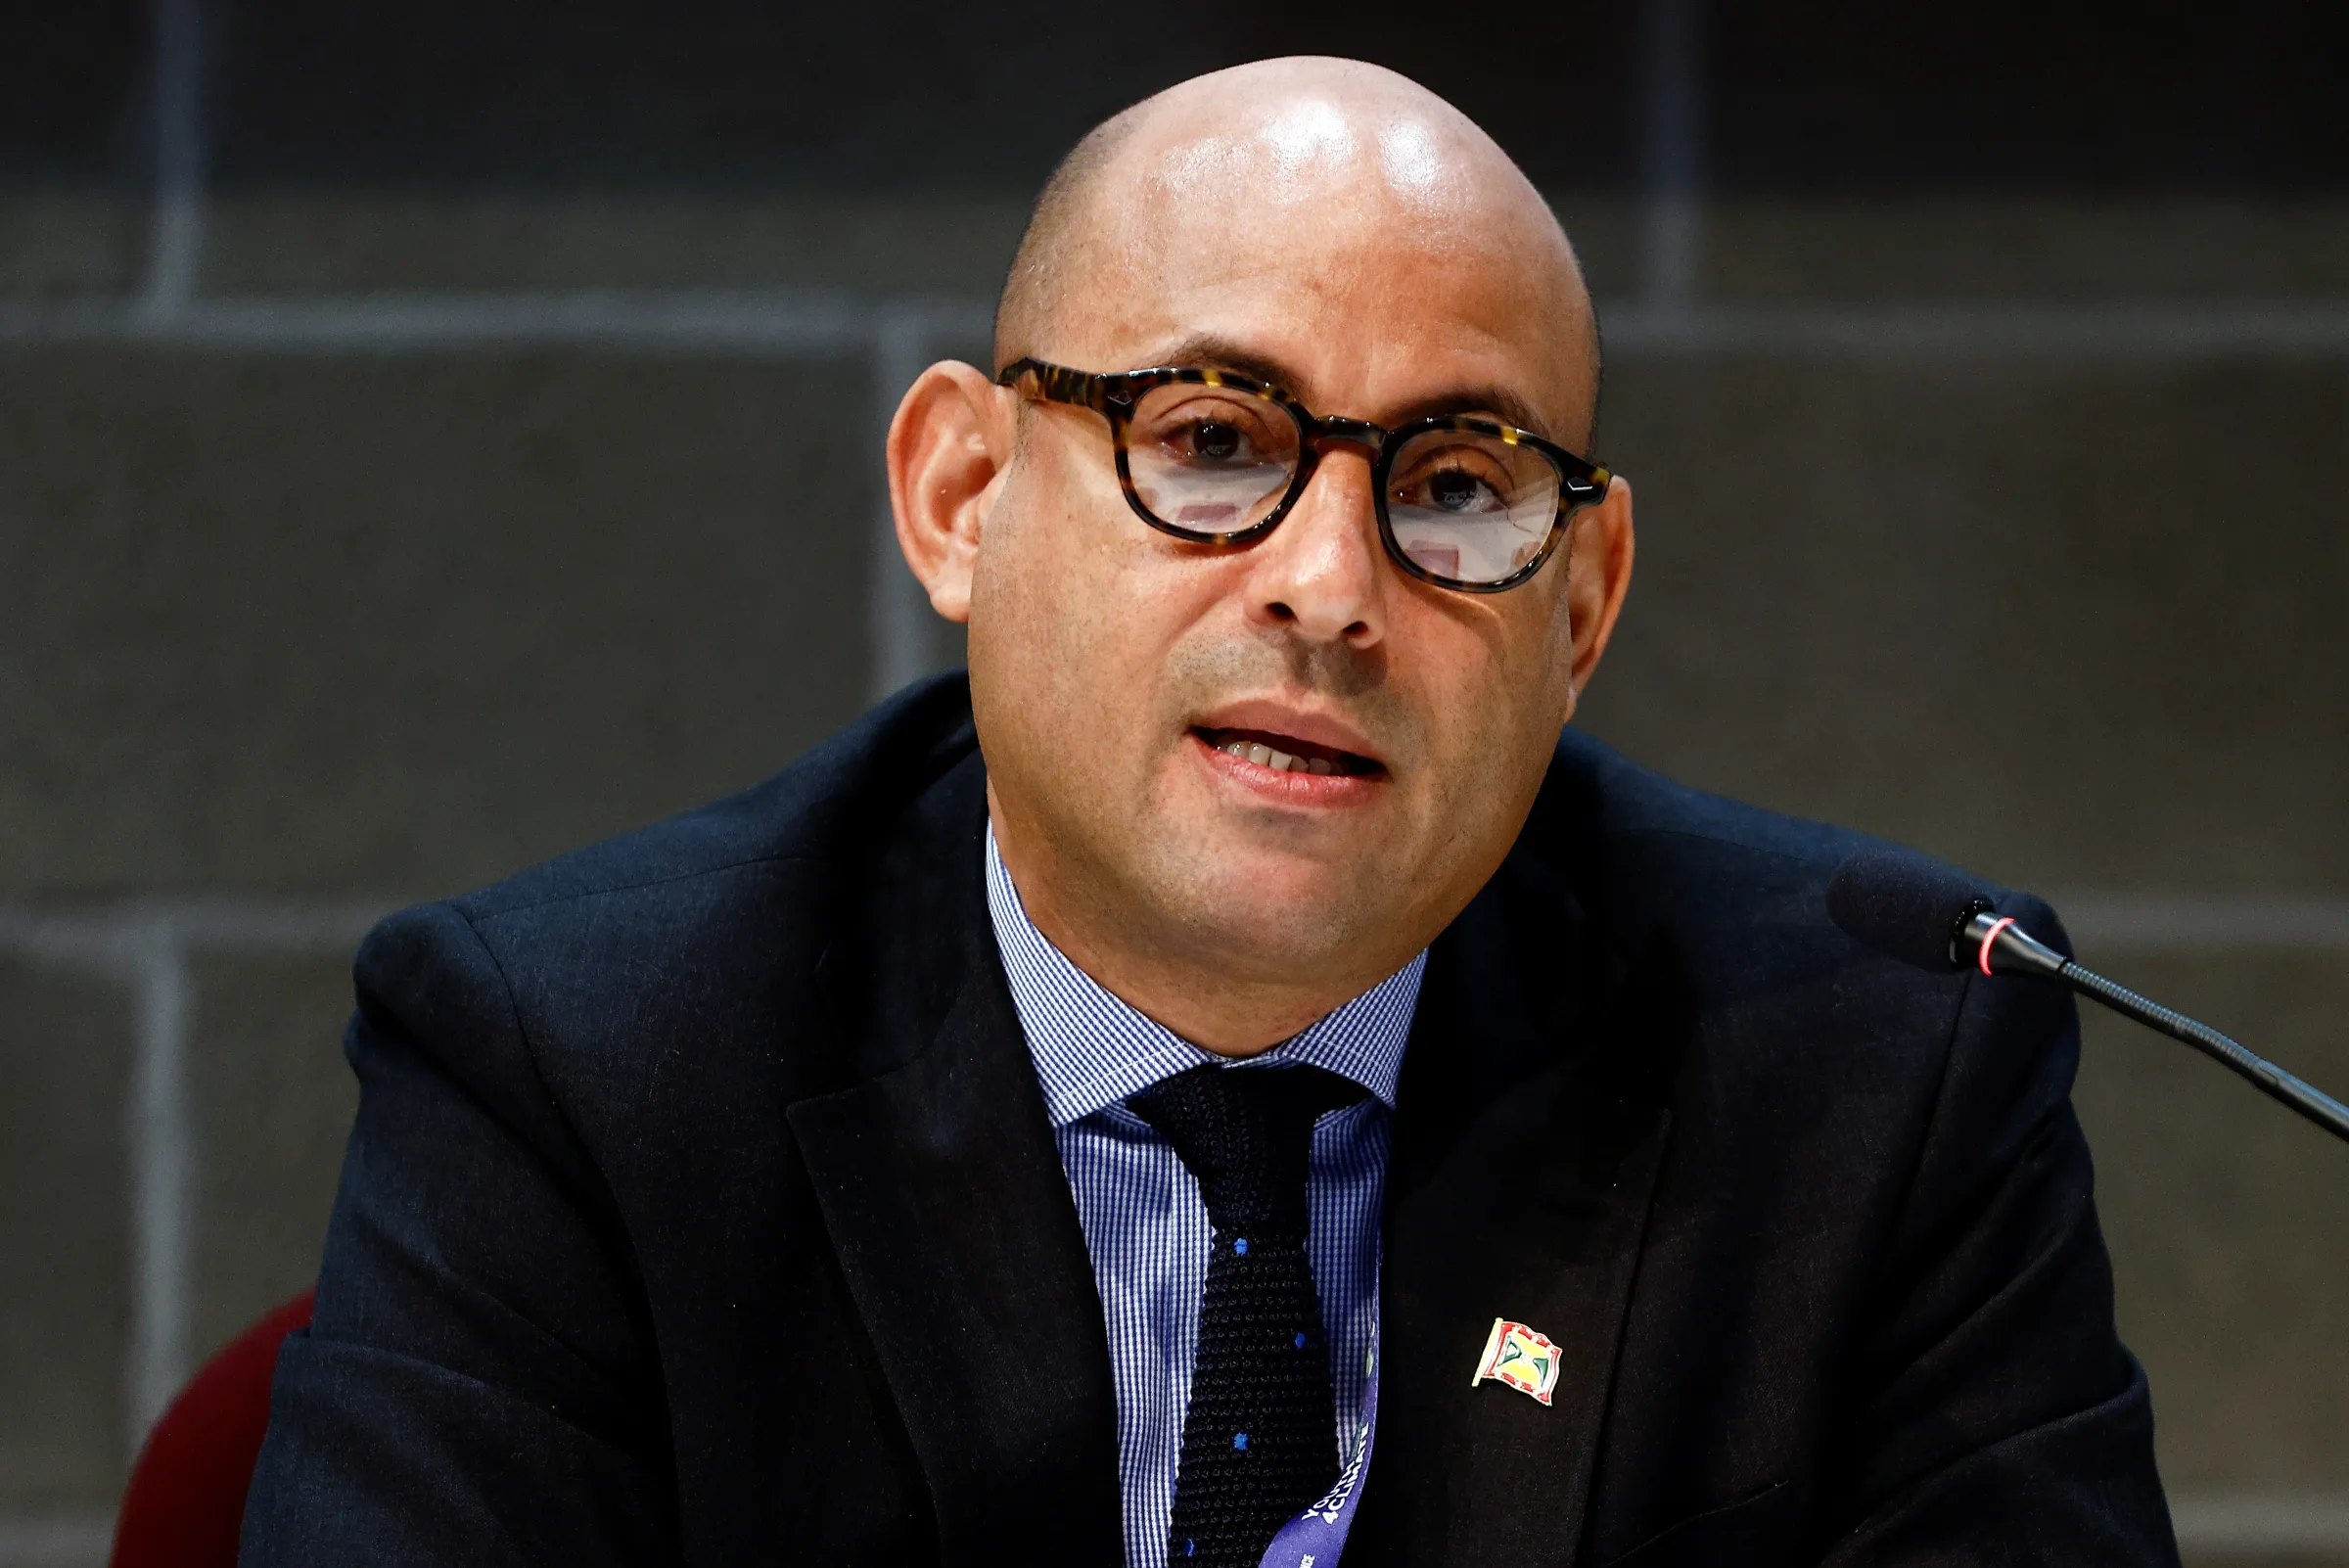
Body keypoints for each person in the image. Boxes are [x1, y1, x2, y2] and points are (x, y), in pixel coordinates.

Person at [242, 56, 2178, 1568]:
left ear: (1581, 608)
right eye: (1212, 444)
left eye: (1458, 483)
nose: (1331, 585)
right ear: (959, 496)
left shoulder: (1881, 1067)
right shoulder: (583, 1064)